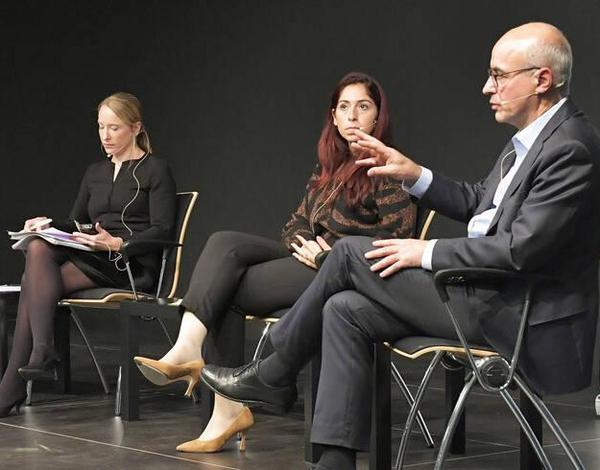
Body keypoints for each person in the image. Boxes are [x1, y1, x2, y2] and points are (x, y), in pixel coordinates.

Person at [201, 22, 600, 470]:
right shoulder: (529, 141)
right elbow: (479, 204)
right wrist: (414, 174)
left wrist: (423, 252)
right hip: (483, 294)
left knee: (348, 253)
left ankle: (274, 371)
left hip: (515, 312)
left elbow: (519, 250)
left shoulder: (571, 147)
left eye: (499, 75)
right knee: (344, 309)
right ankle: (333, 462)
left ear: (541, 79)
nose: (487, 87)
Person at [133, 72, 416, 453]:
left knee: (226, 288)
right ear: (333, 117)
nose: (352, 116)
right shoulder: (329, 168)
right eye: (344, 107)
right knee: (224, 243)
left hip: (341, 274)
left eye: (362, 107)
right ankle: (192, 354)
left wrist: (328, 256)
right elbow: (294, 224)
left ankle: (222, 403)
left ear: (377, 116)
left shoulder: (387, 167)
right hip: (308, 260)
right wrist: (307, 246)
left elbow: (397, 237)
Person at [0, 92, 176, 418]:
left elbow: (163, 229)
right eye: (100, 127)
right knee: (37, 245)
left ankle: (16, 381)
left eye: (114, 128)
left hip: (130, 263)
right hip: (94, 256)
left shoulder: (155, 169)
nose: (105, 136)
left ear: (136, 128)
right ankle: (40, 353)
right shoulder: (95, 171)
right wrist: (46, 225)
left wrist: (118, 244)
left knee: (31, 283)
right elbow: (77, 221)